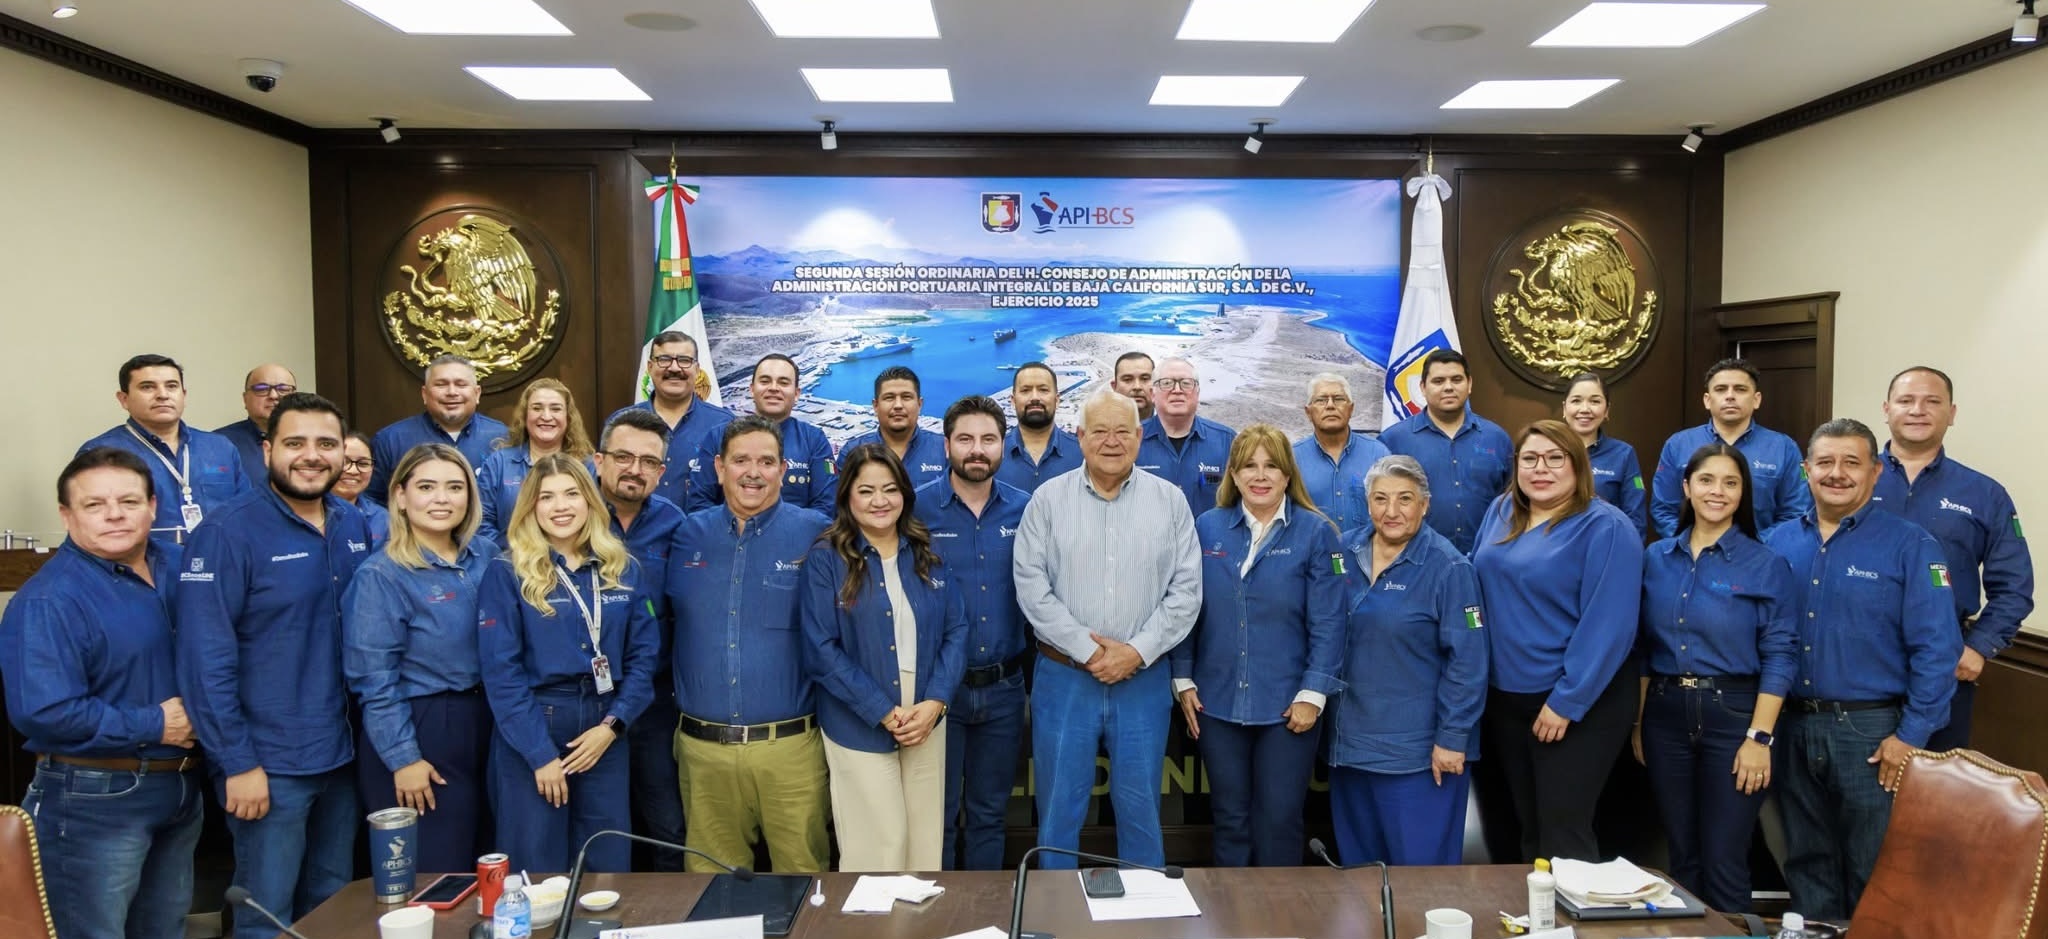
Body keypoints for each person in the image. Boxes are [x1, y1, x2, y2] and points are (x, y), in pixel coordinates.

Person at [175, 392, 373, 939]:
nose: (311, 455)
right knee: (267, 914)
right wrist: (236, 762)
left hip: (343, 754)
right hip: (268, 762)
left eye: (326, 443)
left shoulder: (351, 523)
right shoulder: (226, 532)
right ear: (267, 451)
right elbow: (204, 661)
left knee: (333, 903)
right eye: (295, 443)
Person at [1762, 418, 1959, 920]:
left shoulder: (1911, 545)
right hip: (1791, 726)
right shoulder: (1774, 543)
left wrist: (1910, 736)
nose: (1837, 473)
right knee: (1806, 862)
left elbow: (1938, 648)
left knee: (1875, 868)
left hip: (1871, 733)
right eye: (1825, 462)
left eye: (1852, 462)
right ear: (1806, 470)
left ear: (1875, 472)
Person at [1, 448, 202, 939]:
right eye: (94, 504)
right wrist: (157, 723)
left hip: (181, 788)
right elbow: (43, 712)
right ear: (66, 515)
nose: (114, 514)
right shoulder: (48, 600)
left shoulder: (182, 567)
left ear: (152, 506)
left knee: (164, 930)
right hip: (93, 798)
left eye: (128, 501)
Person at [1013, 387, 1201, 868]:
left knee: (1141, 810)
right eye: (1099, 431)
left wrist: (1135, 652)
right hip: (1065, 679)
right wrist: (1092, 653)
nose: (1111, 441)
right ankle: (1056, 904)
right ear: (1079, 436)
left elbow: (1186, 593)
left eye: (1122, 431)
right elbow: (1032, 589)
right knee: (1059, 810)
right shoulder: (1047, 501)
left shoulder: (1170, 501)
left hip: (1143, 680)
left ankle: (1146, 905)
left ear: (1140, 436)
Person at [1169, 424, 1346, 867]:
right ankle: (1231, 910)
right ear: (1233, 473)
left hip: (1289, 707)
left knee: (1278, 821)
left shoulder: (1317, 533)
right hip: (1216, 702)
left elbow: (1330, 621)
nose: (1260, 475)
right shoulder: (1206, 527)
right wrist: (1183, 676)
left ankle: (1279, 912)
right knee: (1229, 819)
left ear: (1288, 475)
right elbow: (1185, 605)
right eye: (1249, 465)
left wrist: (1313, 694)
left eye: (1271, 466)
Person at [666, 416, 834, 872]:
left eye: (766, 461)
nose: (753, 473)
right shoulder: (686, 535)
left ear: (783, 469)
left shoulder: (818, 533)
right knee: (711, 890)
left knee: (804, 885)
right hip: (703, 753)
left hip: (791, 752)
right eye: (741, 461)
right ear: (719, 467)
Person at [477, 455, 658, 874]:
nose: (560, 506)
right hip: (534, 726)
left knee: (606, 863)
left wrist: (613, 726)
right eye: (547, 497)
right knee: (536, 866)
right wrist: (539, 755)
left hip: (604, 729)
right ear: (531, 507)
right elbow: (501, 673)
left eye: (572, 494)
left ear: (589, 500)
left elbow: (644, 658)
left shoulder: (622, 568)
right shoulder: (507, 572)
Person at [1472, 420, 1643, 863]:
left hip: (1575, 702)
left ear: (1577, 464)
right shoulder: (1501, 511)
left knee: (1563, 831)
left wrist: (1567, 701)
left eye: (1554, 458)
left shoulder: (1607, 527)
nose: (1540, 468)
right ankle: (1537, 909)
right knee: (1525, 829)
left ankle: (1573, 911)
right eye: (1529, 458)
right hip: (1507, 698)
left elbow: (1609, 626)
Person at [1636, 442, 1797, 913]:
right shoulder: (1655, 558)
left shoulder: (1764, 563)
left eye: (1730, 482)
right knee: (1682, 857)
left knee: (1724, 858)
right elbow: (1642, 650)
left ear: (1743, 493)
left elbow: (1780, 655)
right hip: (1664, 716)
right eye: (1706, 480)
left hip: (1735, 717)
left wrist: (1760, 738)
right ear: (1686, 487)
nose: (1717, 491)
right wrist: (1638, 725)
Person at [803, 444, 967, 872]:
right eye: (866, 490)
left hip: (926, 714)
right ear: (847, 496)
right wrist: (882, 711)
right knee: (880, 847)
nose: (880, 500)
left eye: (890, 489)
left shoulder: (926, 551)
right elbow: (820, 649)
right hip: (858, 718)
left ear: (905, 494)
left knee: (924, 846)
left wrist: (936, 702)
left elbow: (957, 630)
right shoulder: (826, 559)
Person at [342, 443, 496, 874]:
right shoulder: (381, 575)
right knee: (438, 872)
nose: (442, 499)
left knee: (488, 863)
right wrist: (404, 758)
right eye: (426, 487)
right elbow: (374, 679)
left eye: (454, 487)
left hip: (488, 721)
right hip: (422, 728)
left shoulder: (488, 556)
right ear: (400, 496)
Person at [1326, 455, 1488, 867]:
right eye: (1380, 499)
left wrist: (1452, 738)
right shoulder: (1342, 551)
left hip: (1419, 756)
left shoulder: (1450, 567)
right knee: (1360, 881)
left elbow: (1468, 662)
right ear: (1367, 503)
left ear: (1425, 504)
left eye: (1405, 499)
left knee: (1421, 882)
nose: (1392, 511)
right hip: (1350, 748)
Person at [1871, 366, 2033, 751]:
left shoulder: (1984, 493)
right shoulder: (1849, 481)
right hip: (1855, 662)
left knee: (1931, 781)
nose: (1917, 410)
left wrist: (1979, 646)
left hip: (1945, 664)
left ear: (1952, 413)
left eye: (1932, 401)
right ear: (1887, 409)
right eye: (1906, 400)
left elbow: (2014, 586)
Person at [915, 395, 1033, 870]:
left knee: (989, 816)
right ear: (946, 446)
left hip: (1005, 690)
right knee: (936, 818)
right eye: (965, 439)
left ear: (1004, 445)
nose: (977, 449)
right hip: (936, 693)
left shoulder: (1026, 510)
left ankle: (985, 906)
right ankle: (938, 907)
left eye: (988, 439)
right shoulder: (915, 509)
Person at [592, 409, 693, 871]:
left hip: (654, 697)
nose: (635, 469)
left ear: (661, 471)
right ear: (599, 460)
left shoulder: (675, 524)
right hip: (585, 699)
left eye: (648, 461)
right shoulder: (570, 513)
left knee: (666, 823)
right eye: (624, 457)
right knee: (597, 825)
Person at [80, 353, 251, 541]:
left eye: (171, 386)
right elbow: (91, 529)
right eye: (147, 387)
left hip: (219, 557)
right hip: (142, 559)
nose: (162, 395)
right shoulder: (100, 454)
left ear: (184, 395)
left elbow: (247, 513)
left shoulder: (220, 447)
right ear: (124, 399)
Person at [1651, 358, 1811, 537]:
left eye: (1740, 389)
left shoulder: (1784, 448)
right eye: (1721, 389)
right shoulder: (1678, 444)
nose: (1730, 396)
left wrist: (1754, 548)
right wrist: (1692, 545)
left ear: (1756, 399)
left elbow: (1795, 513)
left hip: (1761, 551)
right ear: (1707, 400)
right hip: (1692, 552)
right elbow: (1663, 510)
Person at [1378, 350, 1513, 555]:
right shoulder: (1393, 441)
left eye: (1456, 380)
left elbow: (1512, 502)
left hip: (1485, 559)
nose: (1448, 387)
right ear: (1423, 388)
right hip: (1416, 561)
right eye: (1438, 381)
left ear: (1469, 384)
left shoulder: (1497, 438)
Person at [687, 354, 836, 512]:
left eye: (783, 382)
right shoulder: (718, 436)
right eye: (765, 381)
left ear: (797, 393)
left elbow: (826, 506)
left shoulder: (814, 440)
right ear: (752, 389)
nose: (773, 388)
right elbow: (699, 502)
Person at [608, 331, 732, 511]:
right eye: (664, 359)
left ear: (697, 369)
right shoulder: (622, 423)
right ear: (650, 367)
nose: (674, 368)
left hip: (702, 529)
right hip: (637, 528)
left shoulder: (724, 425)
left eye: (684, 360)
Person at [367, 355, 509, 507]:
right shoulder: (391, 440)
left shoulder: (502, 437)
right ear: (424, 394)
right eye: (441, 385)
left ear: (477, 393)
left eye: (461, 384)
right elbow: (370, 501)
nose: (452, 392)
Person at [477, 377, 596, 544]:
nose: (546, 416)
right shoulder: (499, 463)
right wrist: (513, 554)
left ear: (568, 417)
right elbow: (481, 522)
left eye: (556, 409)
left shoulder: (586, 465)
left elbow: (596, 521)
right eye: (537, 408)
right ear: (525, 416)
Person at [1136, 357, 1237, 515]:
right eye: (1167, 383)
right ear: (1152, 394)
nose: (1177, 390)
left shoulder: (1227, 441)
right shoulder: (1131, 440)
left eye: (1186, 383)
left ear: (1197, 392)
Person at [1293, 373, 1390, 533]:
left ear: (1351, 409)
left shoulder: (1378, 454)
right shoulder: (1293, 458)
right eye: (1321, 400)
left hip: (1367, 548)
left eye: (1338, 399)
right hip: (1311, 549)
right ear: (1308, 412)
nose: (1330, 405)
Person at [1561, 373, 1648, 538]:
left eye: (1595, 401)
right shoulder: (1547, 450)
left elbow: (1635, 517)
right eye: (1576, 401)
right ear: (1565, 408)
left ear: (1607, 409)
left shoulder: (1624, 453)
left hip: (1606, 545)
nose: (1585, 409)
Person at [844, 365, 950, 491]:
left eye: (906, 397)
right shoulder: (852, 451)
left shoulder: (944, 449)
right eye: (889, 398)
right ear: (876, 406)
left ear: (919, 404)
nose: (898, 405)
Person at [997, 361, 1081, 494]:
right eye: (1025, 390)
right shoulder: (993, 454)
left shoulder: (1082, 454)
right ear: (1013, 400)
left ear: (1057, 400)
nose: (1035, 397)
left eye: (1043, 390)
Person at [214, 363, 297, 485]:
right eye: (261, 389)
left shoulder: (315, 439)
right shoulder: (218, 443)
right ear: (245, 399)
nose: (273, 396)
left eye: (283, 389)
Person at [334, 431, 391, 550]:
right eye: (344, 461)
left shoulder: (382, 518)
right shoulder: (307, 512)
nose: (353, 471)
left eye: (363, 463)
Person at [1113, 351, 1157, 422]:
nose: (1137, 387)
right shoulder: (1097, 425)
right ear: (1114, 386)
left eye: (1145, 379)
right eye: (1127, 379)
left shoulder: (1173, 425)